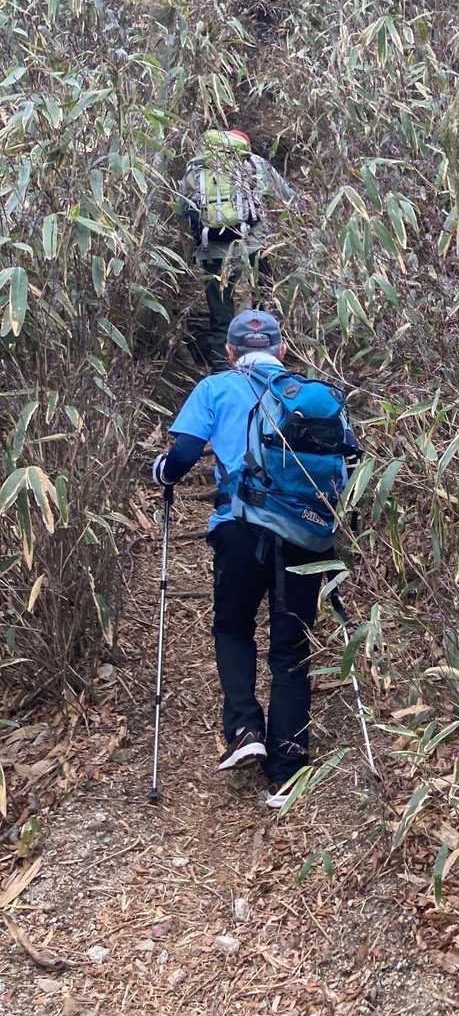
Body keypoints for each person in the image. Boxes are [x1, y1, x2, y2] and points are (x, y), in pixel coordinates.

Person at [150, 309, 358, 808]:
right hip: (305, 534)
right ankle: (288, 769)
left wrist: (163, 473)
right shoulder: (311, 396)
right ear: (282, 350)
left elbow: (183, 457)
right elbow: (350, 459)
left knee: (233, 628)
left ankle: (245, 730)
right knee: (292, 646)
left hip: (239, 530)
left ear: (230, 352)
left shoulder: (214, 388)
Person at [178, 129, 295, 368]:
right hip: (255, 247)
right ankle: (266, 365)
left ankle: (223, 370)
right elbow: (289, 198)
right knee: (264, 305)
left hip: (212, 249)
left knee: (221, 315)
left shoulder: (197, 169)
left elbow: (182, 209)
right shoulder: (256, 164)